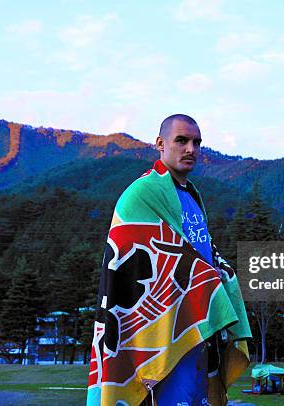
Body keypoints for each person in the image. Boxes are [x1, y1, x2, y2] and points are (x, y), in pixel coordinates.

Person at [87, 114, 251, 406]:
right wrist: (206, 279)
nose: (191, 149)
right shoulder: (141, 193)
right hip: (159, 334)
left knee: (195, 397)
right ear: (160, 144)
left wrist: (225, 277)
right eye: (182, 140)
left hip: (196, 330)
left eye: (196, 142)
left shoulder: (191, 196)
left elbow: (203, 252)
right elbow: (127, 270)